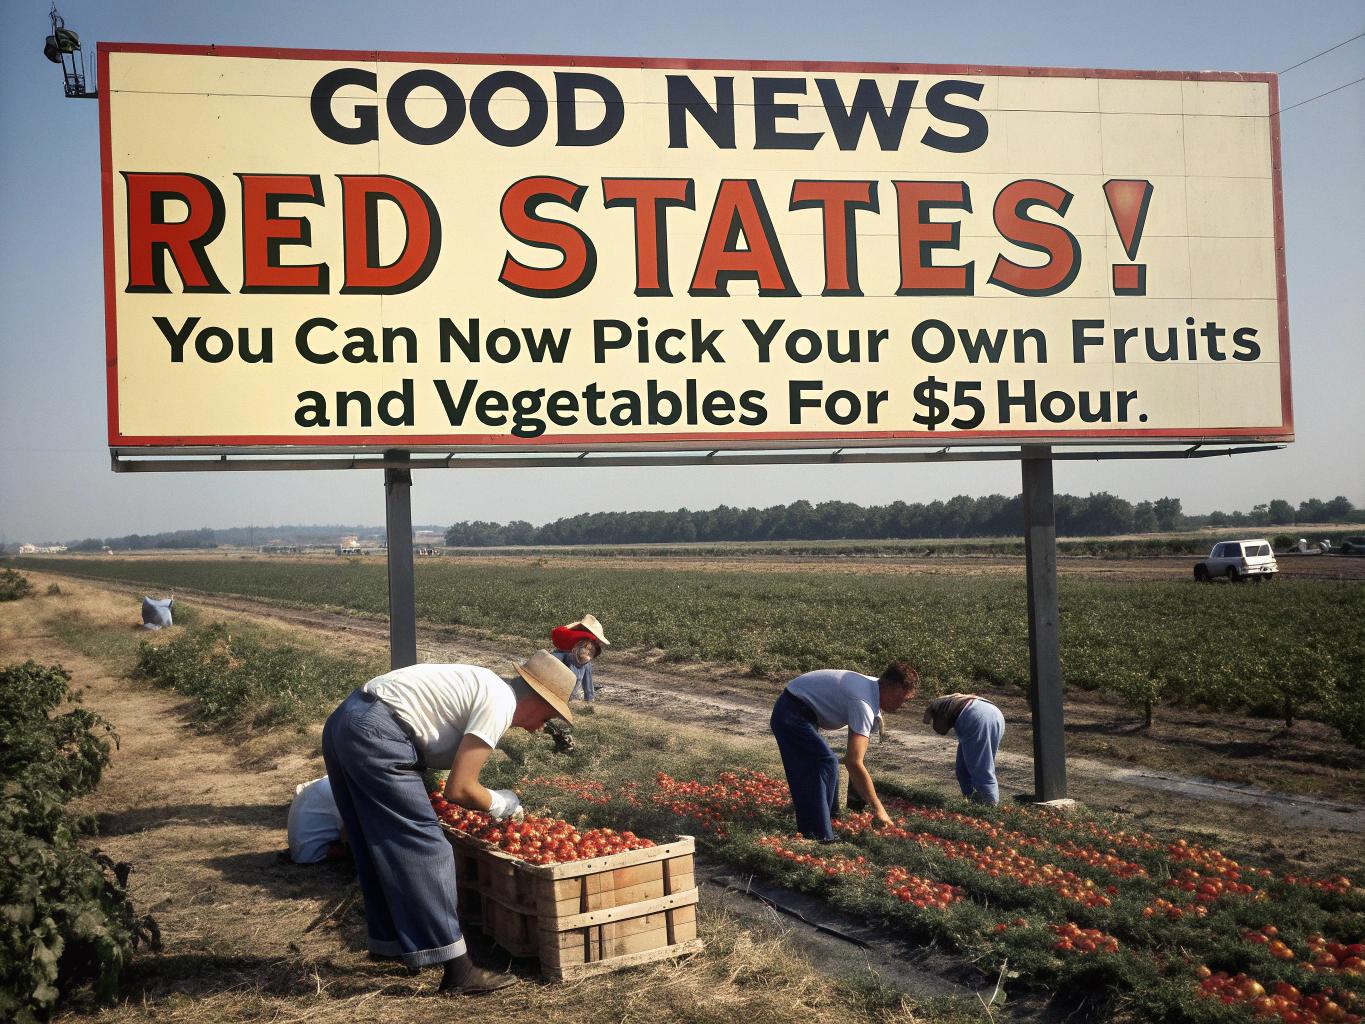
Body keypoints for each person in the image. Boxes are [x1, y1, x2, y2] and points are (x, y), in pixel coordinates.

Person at [321, 650, 576, 995]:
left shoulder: (487, 685)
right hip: (376, 732)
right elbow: (460, 788)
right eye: (548, 714)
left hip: (348, 720)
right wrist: (502, 802)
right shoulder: (500, 702)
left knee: (379, 841)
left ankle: (392, 944)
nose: (541, 727)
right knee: (429, 848)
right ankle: (459, 972)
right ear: (536, 699)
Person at [769, 662, 918, 841]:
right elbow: (853, 761)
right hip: (791, 713)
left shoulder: (872, 687)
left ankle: (830, 822)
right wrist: (878, 809)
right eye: (900, 697)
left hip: (801, 711)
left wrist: (861, 801)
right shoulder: (862, 702)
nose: (901, 704)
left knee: (829, 765)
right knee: (822, 763)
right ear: (889, 686)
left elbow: (855, 757)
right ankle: (817, 835)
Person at [922, 693, 1006, 805]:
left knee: (981, 766)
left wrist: (932, 720)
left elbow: (940, 729)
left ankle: (990, 804)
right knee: (962, 768)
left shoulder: (936, 706)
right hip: (995, 713)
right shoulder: (952, 700)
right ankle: (970, 799)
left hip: (975, 716)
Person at [544, 614, 610, 753]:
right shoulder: (568, 656)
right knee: (559, 718)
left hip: (554, 693)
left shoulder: (558, 653)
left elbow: (587, 682)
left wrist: (589, 699)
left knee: (554, 717)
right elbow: (587, 683)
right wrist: (589, 700)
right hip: (561, 694)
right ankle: (563, 742)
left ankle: (559, 740)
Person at [285, 775, 346, 864]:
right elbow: (349, 832)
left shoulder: (330, 782)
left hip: (302, 850)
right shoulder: (340, 792)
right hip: (315, 856)